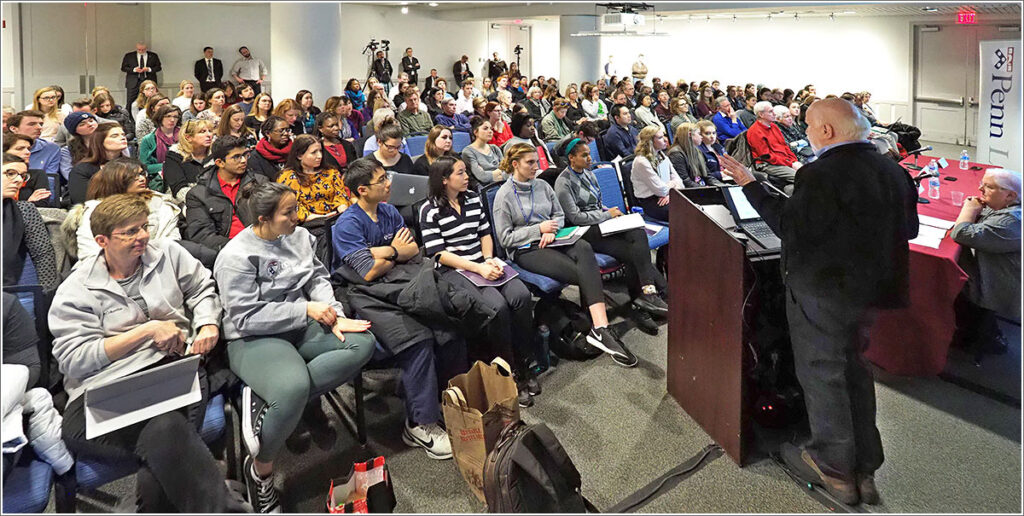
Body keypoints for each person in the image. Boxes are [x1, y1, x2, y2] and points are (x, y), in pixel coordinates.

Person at [718, 98, 919, 507]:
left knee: (824, 374)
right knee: (855, 370)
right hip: (869, 293)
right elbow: (909, 228)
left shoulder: (820, 174)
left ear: (826, 131)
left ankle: (835, 468)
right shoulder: (892, 170)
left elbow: (789, 227)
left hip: (824, 293)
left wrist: (750, 185)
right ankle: (865, 467)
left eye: (809, 126)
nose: (805, 133)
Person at [211, 181, 374, 512]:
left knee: (362, 343)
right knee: (293, 385)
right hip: (254, 336)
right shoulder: (236, 256)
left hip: (300, 324)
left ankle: (279, 402)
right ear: (262, 218)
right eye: (288, 213)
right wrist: (304, 309)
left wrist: (335, 316)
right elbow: (245, 318)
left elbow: (317, 279)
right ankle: (261, 470)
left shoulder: (297, 237)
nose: (297, 217)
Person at [331, 158, 458, 460]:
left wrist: (383, 254)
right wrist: (392, 252)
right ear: (362, 190)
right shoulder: (346, 225)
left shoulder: (387, 211)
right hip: (364, 296)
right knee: (416, 340)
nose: (389, 184)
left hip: (398, 284)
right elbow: (367, 272)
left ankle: (435, 400)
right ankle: (419, 424)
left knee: (448, 326)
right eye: (381, 180)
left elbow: (413, 250)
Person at [492, 143, 637, 366]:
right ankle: (600, 329)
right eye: (530, 163)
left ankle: (600, 328)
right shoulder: (504, 196)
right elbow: (505, 239)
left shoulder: (541, 185)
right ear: (514, 165)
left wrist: (552, 229)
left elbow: (558, 215)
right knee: (584, 272)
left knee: (584, 248)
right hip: (527, 249)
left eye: (536, 162)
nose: (536, 167)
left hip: (555, 238)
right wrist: (538, 230)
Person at [418, 155, 540, 406]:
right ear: (444, 180)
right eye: (460, 173)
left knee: (521, 296)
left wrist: (488, 259)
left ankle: (523, 360)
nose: (467, 177)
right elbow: (438, 254)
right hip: (456, 271)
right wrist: (478, 268)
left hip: (482, 261)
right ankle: (506, 374)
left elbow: (485, 232)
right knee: (497, 308)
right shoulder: (428, 209)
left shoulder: (473, 198)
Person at [554, 137, 667, 312]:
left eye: (589, 154)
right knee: (632, 251)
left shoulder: (589, 173)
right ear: (571, 158)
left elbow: (598, 204)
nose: (589, 159)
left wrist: (611, 212)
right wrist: (607, 214)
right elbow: (575, 217)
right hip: (584, 231)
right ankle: (656, 292)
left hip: (602, 223)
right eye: (584, 155)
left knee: (636, 234)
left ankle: (646, 293)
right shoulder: (563, 182)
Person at [74, 157, 216, 267]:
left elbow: (170, 242)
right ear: (115, 180)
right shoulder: (95, 210)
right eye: (133, 177)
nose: (141, 179)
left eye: (142, 174)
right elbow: (90, 253)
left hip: (158, 265)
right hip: (109, 271)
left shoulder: (161, 204)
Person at [951, 168, 1022, 361]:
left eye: (988, 187)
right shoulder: (1010, 207)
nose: (980, 189)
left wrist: (968, 210)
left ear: (1010, 195)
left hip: (1004, 285)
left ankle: (981, 336)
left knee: (947, 275)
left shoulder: (1011, 221)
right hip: (1002, 272)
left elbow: (961, 233)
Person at [184, 135, 267, 257]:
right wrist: (241, 248)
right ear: (220, 163)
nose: (244, 160)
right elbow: (202, 235)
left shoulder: (260, 183)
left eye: (245, 155)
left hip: (263, 245)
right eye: (236, 157)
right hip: (227, 252)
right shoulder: (199, 194)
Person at [276, 134, 352, 222]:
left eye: (320, 151)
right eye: (314, 152)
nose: (319, 156)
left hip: (335, 217)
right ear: (299, 155)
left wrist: (341, 210)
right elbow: (293, 207)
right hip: (308, 223)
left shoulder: (331, 172)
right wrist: (320, 218)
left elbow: (340, 195)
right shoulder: (287, 177)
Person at [746, 100, 801, 194]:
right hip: (767, 164)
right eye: (771, 111)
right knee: (801, 177)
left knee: (807, 173)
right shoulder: (754, 131)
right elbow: (767, 156)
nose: (774, 113)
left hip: (782, 161)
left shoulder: (774, 126)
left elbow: (785, 147)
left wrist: (794, 161)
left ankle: (790, 190)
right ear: (761, 114)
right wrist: (790, 163)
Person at [630, 126, 682, 223]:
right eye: (660, 137)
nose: (665, 140)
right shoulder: (642, 162)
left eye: (664, 136)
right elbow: (661, 190)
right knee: (683, 212)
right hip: (651, 202)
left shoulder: (661, 155)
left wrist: (671, 193)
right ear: (650, 141)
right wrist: (672, 185)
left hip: (668, 195)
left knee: (693, 205)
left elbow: (679, 181)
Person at [68, 123, 127, 205]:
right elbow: (81, 201)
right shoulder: (82, 170)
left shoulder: (132, 165)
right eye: (114, 136)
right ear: (100, 141)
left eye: (123, 134)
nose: (123, 138)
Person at [162, 118, 214, 202]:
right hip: (186, 202)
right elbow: (179, 189)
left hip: (215, 200)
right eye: (202, 132)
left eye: (210, 131)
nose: (209, 135)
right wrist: (203, 201)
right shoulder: (174, 156)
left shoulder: (215, 153)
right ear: (188, 137)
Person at [4, 135, 51, 205]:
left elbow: (42, 202)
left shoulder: (38, 174)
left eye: (29, 148)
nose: (28, 152)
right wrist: (27, 203)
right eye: (20, 148)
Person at [138, 105, 181, 182]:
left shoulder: (185, 136)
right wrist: (168, 166)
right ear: (160, 118)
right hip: (158, 178)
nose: (172, 120)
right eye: (168, 116)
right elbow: (145, 166)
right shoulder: (148, 140)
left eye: (175, 117)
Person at [462, 116, 505, 186]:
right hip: (487, 188)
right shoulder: (468, 152)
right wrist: (499, 172)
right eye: (485, 129)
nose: (490, 131)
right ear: (475, 132)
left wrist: (490, 173)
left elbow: (507, 169)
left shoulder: (495, 148)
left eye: (491, 128)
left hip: (503, 183)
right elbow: (482, 177)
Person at [247, 116, 293, 181]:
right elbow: (260, 184)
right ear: (268, 133)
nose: (286, 133)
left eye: (287, 130)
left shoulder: (294, 152)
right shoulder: (255, 156)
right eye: (281, 130)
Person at [120, 42, 161, 107]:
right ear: (136, 48)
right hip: (133, 82)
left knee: (151, 100)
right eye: (139, 50)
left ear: (146, 48)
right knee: (130, 101)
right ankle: (129, 116)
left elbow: (158, 67)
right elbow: (123, 68)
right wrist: (134, 70)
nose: (141, 51)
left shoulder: (153, 56)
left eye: (143, 49)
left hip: (148, 81)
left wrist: (149, 69)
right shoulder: (129, 56)